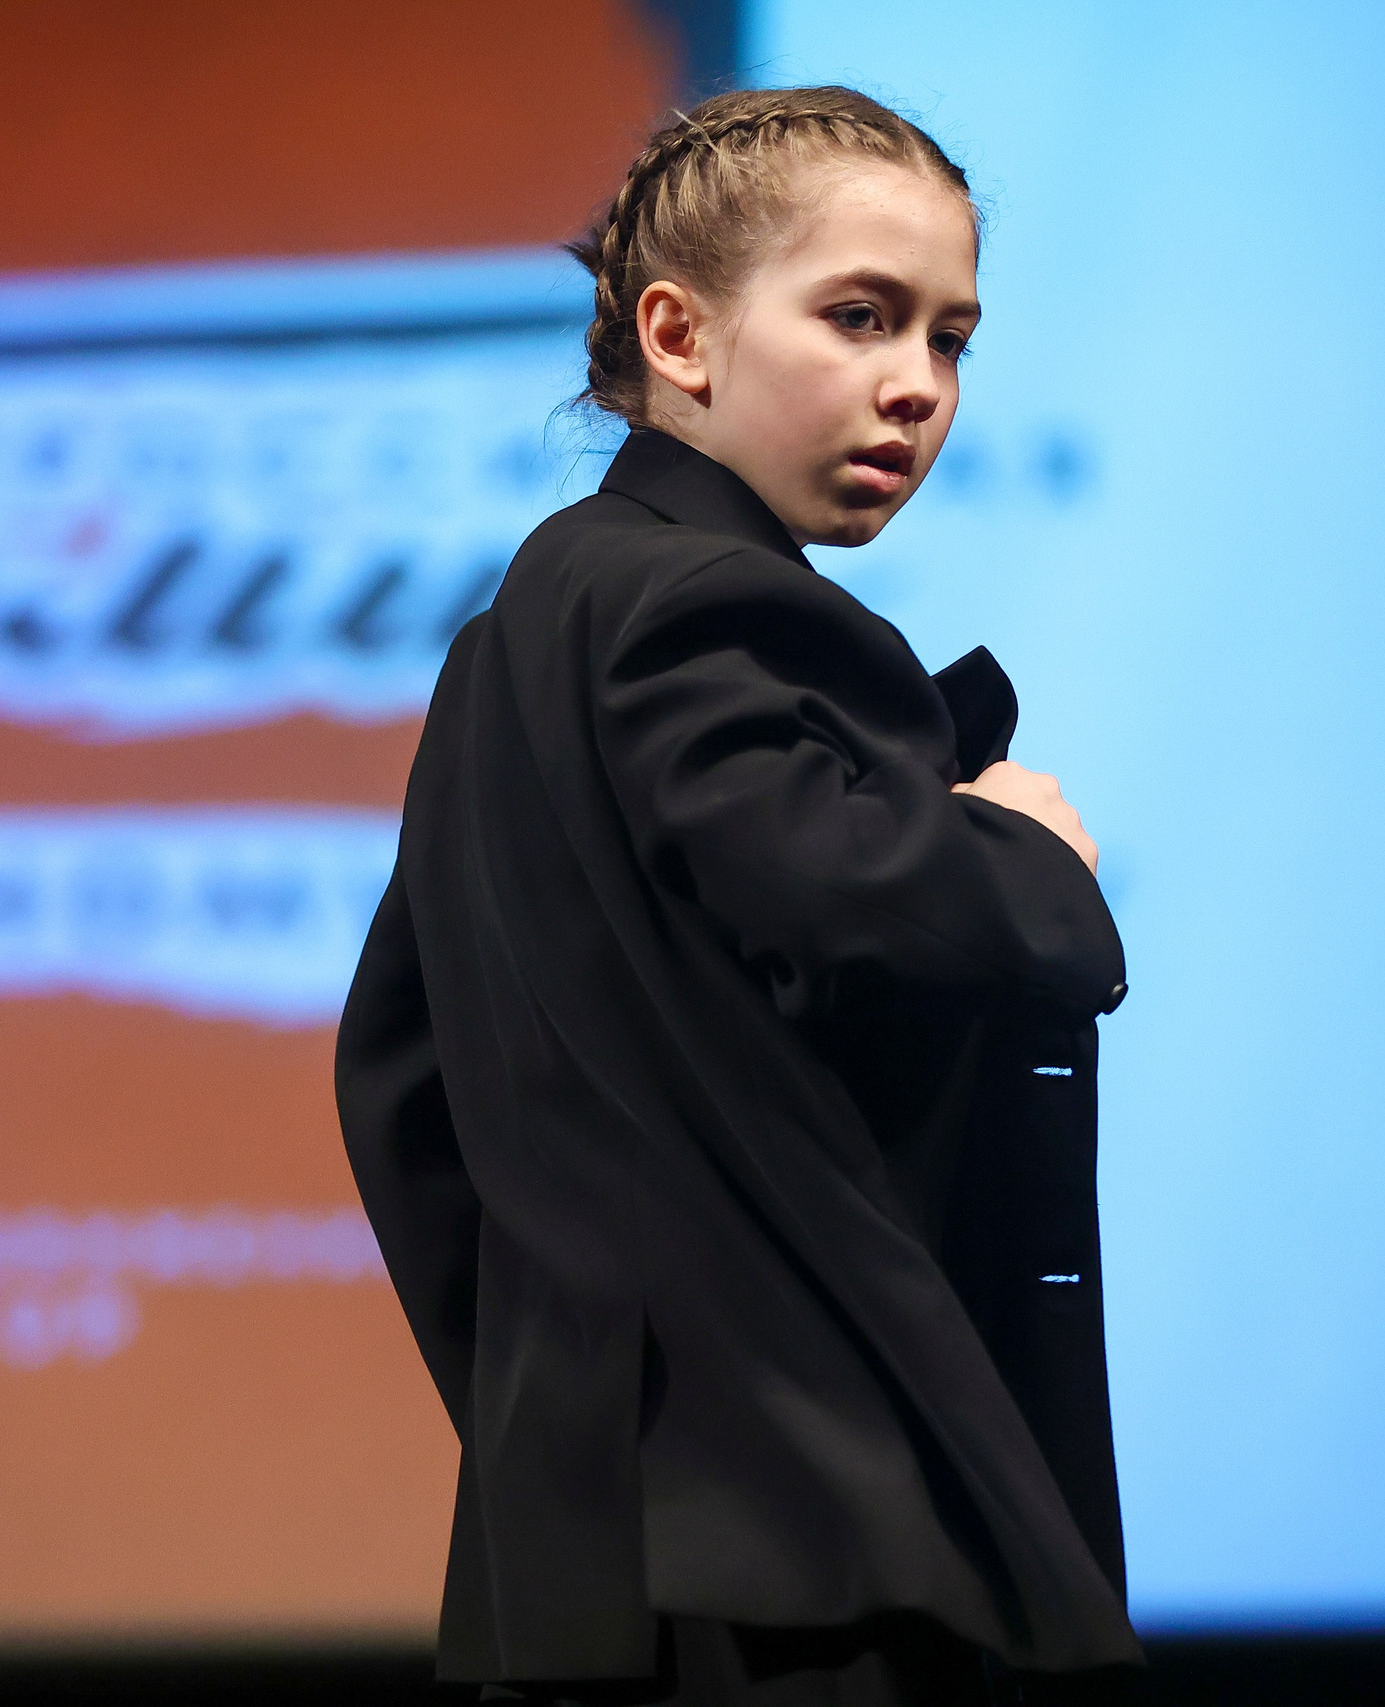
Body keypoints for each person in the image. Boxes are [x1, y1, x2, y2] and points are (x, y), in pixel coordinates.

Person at [337, 86, 1141, 1706]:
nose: (917, 386)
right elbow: (853, 892)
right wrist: (1024, 853)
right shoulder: (709, 605)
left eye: (952, 339)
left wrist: (556, 1408)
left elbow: (399, 1088)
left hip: (588, 1565)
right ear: (679, 336)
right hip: (809, 1550)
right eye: (860, 317)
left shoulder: (519, 634)